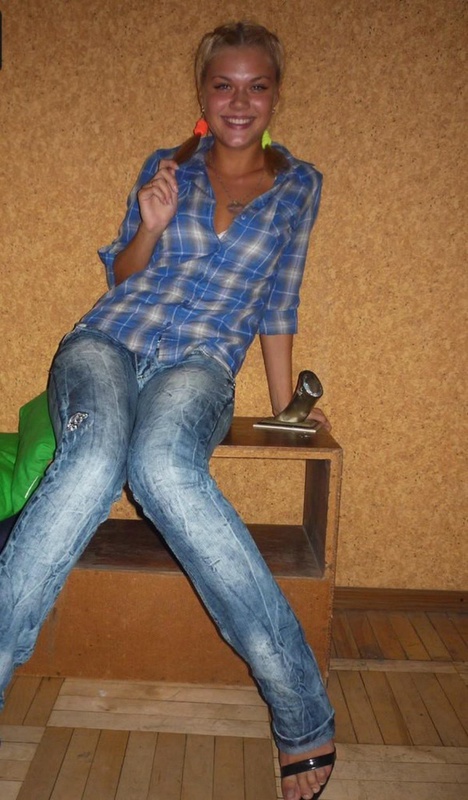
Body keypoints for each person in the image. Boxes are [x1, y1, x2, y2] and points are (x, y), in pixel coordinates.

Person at [0, 21, 335, 800]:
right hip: (107, 344)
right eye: (224, 85)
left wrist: (287, 407)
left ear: (275, 95)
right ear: (203, 95)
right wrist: (149, 227)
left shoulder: (299, 186)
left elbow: (278, 303)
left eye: (256, 86)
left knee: (160, 467)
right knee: (92, 459)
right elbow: (123, 277)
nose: (239, 101)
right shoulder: (168, 166)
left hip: (201, 363)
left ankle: (299, 708)